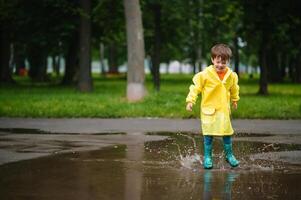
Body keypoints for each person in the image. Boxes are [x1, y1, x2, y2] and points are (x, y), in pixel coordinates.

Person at [186, 43, 240, 169]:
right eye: (218, 62)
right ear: (212, 60)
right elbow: (195, 88)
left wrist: (235, 99)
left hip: (223, 110)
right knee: (208, 134)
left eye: (224, 63)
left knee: (226, 133)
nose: (220, 65)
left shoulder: (231, 76)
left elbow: (234, 88)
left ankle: (229, 155)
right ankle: (208, 157)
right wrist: (190, 101)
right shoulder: (205, 75)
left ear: (228, 62)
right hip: (209, 110)